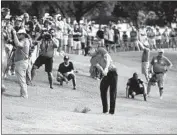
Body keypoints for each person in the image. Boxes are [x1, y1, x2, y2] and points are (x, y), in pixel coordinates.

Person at [88, 47, 118, 115]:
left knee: (112, 92)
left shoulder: (100, 50)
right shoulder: (92, 60)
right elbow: (98, 66)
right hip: (105, 74)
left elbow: (108, 59)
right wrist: (102, 71)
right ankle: (105, 111)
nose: (89, 54)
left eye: (89, 52)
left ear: (92, 49)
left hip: (113, 71)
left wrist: (106, 68)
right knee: (102, 89)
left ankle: (111, 112)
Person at [11, 28, 30, 98]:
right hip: (23, 62)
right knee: (22, 79)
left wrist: (14, 34)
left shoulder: (24, 40)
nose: (18, 35)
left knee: (21, 79)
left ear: (23, 35)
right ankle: (22, 94)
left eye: (19, 34)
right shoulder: (25, 40)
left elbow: (17, 44)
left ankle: (24, 95)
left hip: (21, 62)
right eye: (18, 34)